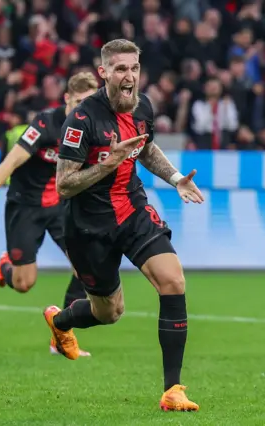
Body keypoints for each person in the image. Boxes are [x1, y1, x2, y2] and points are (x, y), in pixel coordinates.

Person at [44, 39, 204, 412]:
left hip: (132, 210)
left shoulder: (143, 105)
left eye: (133, 68)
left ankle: (172, 390)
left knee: (173, 280)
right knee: (109, 313)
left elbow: (145, 147)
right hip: (88, 227)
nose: (129, 76)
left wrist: (176, 178)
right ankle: (61, 319)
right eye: (120, 69)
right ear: (104, 73)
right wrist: (108, 163)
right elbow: (63, 185)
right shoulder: (81, 120)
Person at [0, 72, 99, 357]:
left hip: (60, 208)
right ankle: (6, 267)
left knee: (85, 266)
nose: (81, 110)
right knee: (24, 284)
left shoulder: (89, 129)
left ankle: (61, 336)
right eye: (78, 102)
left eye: (88, 103)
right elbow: (11, 161)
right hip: (25, 206)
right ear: (66, 99)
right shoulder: (45, 124)